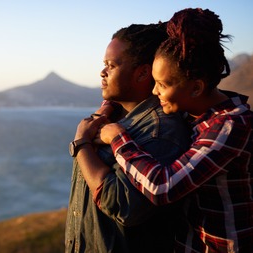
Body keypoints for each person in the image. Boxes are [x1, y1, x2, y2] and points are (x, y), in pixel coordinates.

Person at [98, 8, 253, 252]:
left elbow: (163, 188)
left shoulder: (230, 127)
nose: (154, 92)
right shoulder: (193, 111)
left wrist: (118, 139)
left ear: (195, 88)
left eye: (162, 84)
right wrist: (106, 108)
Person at [65, 23, 191, 252]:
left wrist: (82, 144)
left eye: (111, 65)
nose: (102, 72)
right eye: (104, 64)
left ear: (143, 72)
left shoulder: (160, 132)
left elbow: (124, 206)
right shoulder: (112, 116)